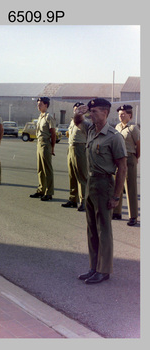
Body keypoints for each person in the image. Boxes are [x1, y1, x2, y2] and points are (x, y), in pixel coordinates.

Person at [77, 98, 127, 284]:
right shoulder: (91, 130)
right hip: (91, 183)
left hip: (105, 184)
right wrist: (78, 113)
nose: (92, 114)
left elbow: (122, 168)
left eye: (95, 111)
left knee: (103, 229)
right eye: (91, 111)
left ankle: (103, 270)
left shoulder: (114, 137)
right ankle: (93, 267)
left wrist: (116, 195)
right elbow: (77, 122)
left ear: (106, 113)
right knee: (92, 229)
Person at [112, 105, 140, 226]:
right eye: (119, 114)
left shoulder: (133, 128)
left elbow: (139, 145)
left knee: (130, 187)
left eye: (123, 114)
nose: (121, 116)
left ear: (130, 115)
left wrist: (135, 158)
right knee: (117, 185)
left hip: (129, 158)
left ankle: (133, 216)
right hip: (118, 159)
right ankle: (116, 212)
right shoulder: (117, 127)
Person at [62, 102, 90, 211]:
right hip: (71, 148)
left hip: (80, 148)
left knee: (82, 176)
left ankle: (84, 201)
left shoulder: (84, 123)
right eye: (75, 110)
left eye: (78, 110)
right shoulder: (72, 122)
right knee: (72, 175)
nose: (76, 112)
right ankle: (73, 199)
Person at [30, 97, 56, 201]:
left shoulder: (48, 117)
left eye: (40, 104)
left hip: (46, 144)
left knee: (47, 169)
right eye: (38, 104)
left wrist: (52, 148)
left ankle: (49, 192)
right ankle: (41, 189)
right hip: (39, 144)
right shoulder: (40, 117)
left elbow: (53, 134)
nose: (38, 106)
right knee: (40, 169)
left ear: (46, 105)